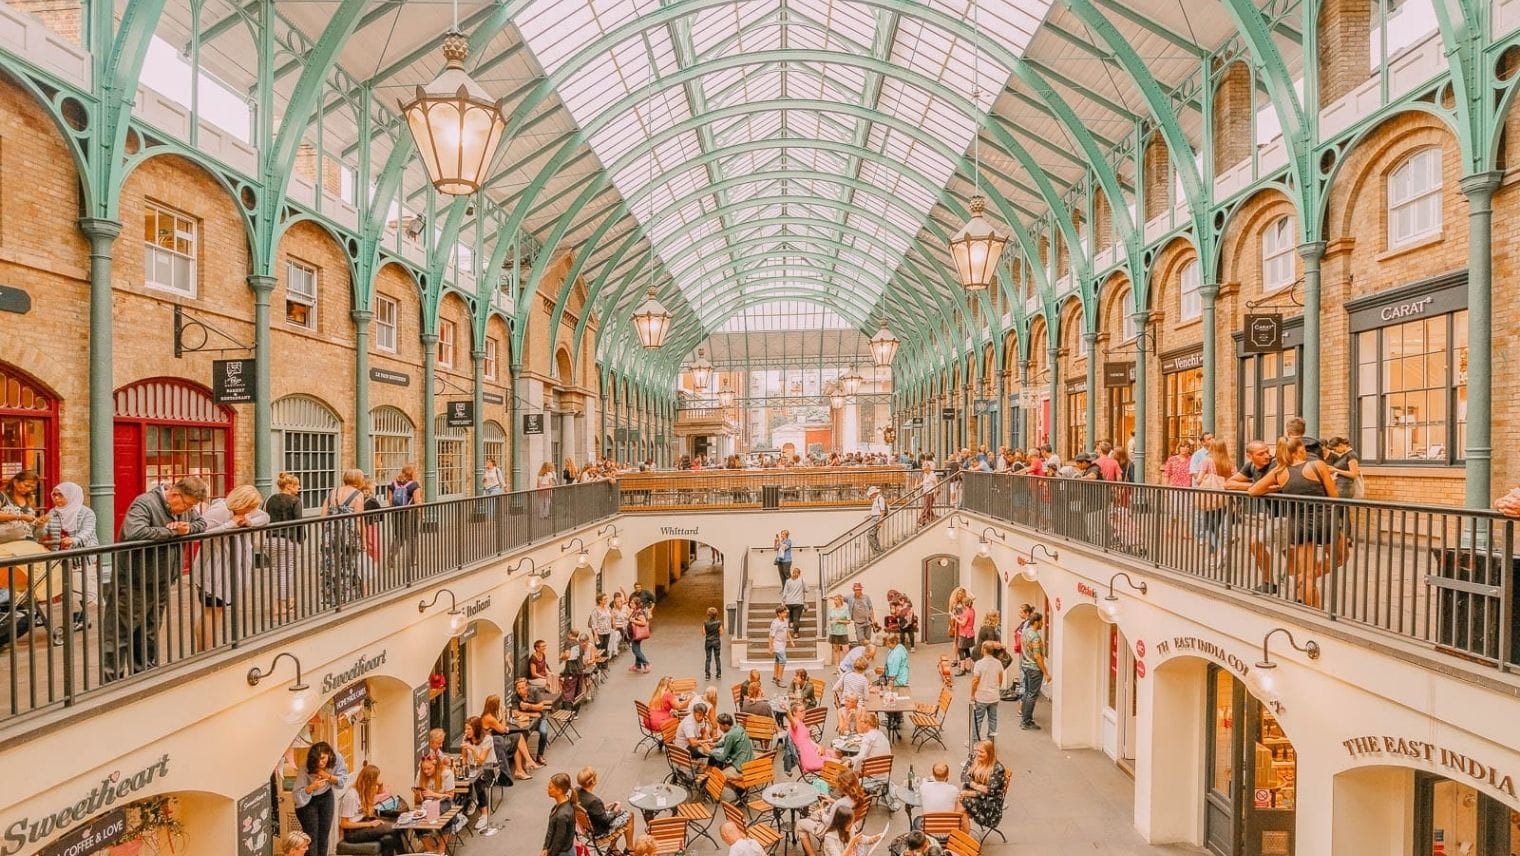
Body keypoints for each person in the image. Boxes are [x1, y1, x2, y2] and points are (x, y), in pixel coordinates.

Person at [104, 476, 209, 680]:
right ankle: (112, 681)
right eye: (187, 505)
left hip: (161, 579)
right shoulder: (145, 503)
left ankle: (143, 674)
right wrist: (170, 532)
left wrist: (187, 528)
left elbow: (201, 523)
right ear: (175, 494)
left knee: (149, 631)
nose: (187, 510)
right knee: (120, 633)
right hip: (134, 580)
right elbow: (134, 531)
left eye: (191, 507)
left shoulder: (185, 509)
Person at [191, 485, 268, 652]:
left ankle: (208, 649)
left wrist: (249, 521)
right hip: (212, 570)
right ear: (241, 502)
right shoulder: (219, 511)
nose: (251, 510)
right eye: (250, 507)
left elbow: (265, 517)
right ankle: (205, 651)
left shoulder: (244, 512)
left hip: (228, 571)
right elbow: (200, 533)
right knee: (211, 611)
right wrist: (230, 525)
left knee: (217, 612)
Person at [1267, 437, 1340, 608]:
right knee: (1339, 557)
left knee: (1307, 574)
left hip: (1298, 524)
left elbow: (1253, 489)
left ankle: (1312, 611)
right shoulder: (1317, 465)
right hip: (1323, 520)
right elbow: (1334, 495)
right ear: (1299, 449)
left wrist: (1275, 488)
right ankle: (1305, 585)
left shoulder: (1280, 471)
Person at [37, 480, 99, 634]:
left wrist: (74, 540)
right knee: (67, 590)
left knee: (82, 588)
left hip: (82, 557)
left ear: (71, 496)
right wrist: (39, 525)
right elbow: (41, 534)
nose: (57, 499)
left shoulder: (86, 513)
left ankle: (83, 618)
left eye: (61, 495)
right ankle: (75, 619)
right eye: (55, 495)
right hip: (61, 557)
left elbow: (88, 531)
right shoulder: (53, 513)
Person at [1230, 440, 1289, 594]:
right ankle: (1274, 583)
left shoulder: (1275, 465)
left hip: (1288, 515)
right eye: (1260, 454)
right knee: (1287, 552)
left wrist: (1257, 487)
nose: (1266, 456)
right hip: (1276, 516)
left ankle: (1273, 582)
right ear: (1250, 456)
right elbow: (1229, 483)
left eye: (1267, 451)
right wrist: (1254, 485)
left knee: (1256, 542)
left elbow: (1276, 487)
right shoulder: (1250, 466)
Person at [293, 741, 349, 856]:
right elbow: (296, 794)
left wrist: (326, 775)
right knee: (311, 837)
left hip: (326, 796)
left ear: (329, 754)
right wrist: (312, 787)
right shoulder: (306, 765)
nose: (320, 762)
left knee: (324, 835)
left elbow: (342, 781)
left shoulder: (337, 758)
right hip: (308, 801)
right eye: (317, 760)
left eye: (323, 758)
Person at [337, 763, 405, 856]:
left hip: (363, 824)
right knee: (395, 828)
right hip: (352, 833)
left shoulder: (365, 791)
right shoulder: (352, 796)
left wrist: (380, 785)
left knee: (388, 838)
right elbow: (344, 824)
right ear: (369, 781)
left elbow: (380, 793)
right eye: (376, 779)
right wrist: (369, 824)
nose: (377, 781)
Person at [263, 472, 303, 618]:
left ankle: (285, 602)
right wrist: (300, 540)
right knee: (286, 573)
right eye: (296, 485)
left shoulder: (269, 499)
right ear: (288, 486)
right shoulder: (295, 501)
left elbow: (264, 517)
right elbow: (299, 522)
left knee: (278, 572)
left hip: (270, 541)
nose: (299, 487)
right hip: (288, 540)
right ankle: (279, 605)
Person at [481, 693, 541, 778]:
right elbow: (503, 730)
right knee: (519, 737)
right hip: (493, 744)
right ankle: (527, 762)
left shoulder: (487, 715)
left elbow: (501, 727)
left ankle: (520, 770)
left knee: (517, 741)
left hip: (494, 740)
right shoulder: (490, 718)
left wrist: (502, 721)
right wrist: (503, 713)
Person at [576, 767, 634, 852]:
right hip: (599, 831)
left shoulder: (577, 791)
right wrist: (615, 810)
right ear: (593, 781)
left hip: (586, 828)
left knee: (620, 813)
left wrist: (604, 808)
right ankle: (630, 848)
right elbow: (606, 821)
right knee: (629, 815)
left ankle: (613, 848)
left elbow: (591, 811)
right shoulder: (594, 801)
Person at [959, 740, 1009, 832]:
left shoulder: (998, 769)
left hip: (989, 803)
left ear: (990, 753)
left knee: (959, 809)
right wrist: (976, 785)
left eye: (981, 752)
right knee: (957, 804)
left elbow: (990, 791)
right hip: (976, 796)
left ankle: (963, 837)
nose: (978, 754)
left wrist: (969, 793)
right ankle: (962, 836)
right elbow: (963, 776)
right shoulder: (973, 758)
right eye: (976, 750)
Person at [461, 716, 498, 832]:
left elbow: (481, 760)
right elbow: (464, 757)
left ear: (476, 729)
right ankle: (470, 801)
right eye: (465, 729)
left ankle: (484, 814)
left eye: (469, 729)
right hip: (473, 768)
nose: (466, 732)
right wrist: (462, 766)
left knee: (478, 781)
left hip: (489, 767)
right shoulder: (466, 738)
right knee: (462, 779)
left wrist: (472, 748)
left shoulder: (487, 739)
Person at [1018, 612, 1050, 730]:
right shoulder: (1035, 637)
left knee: (1027, 692)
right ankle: (1026, 721)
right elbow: (1037, 656)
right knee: (1032, 695)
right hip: (1034, 669)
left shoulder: (1025, 632)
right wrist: (1045, 672)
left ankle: (1025, 718)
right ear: (1036, 622)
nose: (1042, 623)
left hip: (1025, 666)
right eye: (1041, 621)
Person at [513, 676, 554, 764]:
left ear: (526, 687)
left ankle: (540, 755)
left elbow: (541, 706)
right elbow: (515, 712)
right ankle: (526, 757)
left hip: (540, 718)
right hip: (526, 721)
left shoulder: (534, 691)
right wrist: (532, 714)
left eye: (522, 688)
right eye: (518, 688)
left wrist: (529, 706)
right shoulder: (515, 696)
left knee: (543, 732)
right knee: (522, 734)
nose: (520, 691)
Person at [817, 802, 881, 856]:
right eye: (849, 822)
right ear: (841, 823)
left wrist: (874, 838)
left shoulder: (850, 828)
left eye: (852, 821)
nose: (852, 824)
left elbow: (863, 839)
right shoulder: (830, 838)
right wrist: (851, 843)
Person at [971, 640, 1005, 741]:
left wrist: (972, 694)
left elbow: (975, 681)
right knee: (993, 719)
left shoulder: (979, 664)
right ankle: (991, 741)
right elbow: (1000, 679)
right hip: (994, 696)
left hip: (982, 696)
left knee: (978, 719)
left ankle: (975, 740)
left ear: (984, 650)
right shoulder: (998, 663)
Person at [707, 713, 756, 781]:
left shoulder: (730, 735)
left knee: (718, 776)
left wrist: (709, 751)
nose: (719, 728)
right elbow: (728, 742)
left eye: (720, 726)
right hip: (750, 758)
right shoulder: (738, 727)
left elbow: (722, 757)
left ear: (726, 725)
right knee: (720, 756)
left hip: (742, 765)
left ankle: (739, 777)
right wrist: (716, 745)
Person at [541, 772, 578, 856]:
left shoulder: (562, 815)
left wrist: (550, 853)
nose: (547, 789)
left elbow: (559, 839)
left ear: (559, 791)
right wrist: (545, 847)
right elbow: (551, 830)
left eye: (550, 788)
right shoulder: (558, 807)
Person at [0, 469, 42, 545]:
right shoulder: (2, 496)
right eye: (26, 485)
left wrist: (38, 521)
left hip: (28, 541)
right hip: (6, 542)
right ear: (15, 482)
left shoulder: (30, 499)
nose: (29, 489)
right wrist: (20, 516)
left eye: (32, 487)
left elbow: (30, 522)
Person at [786, 700, 827, 775]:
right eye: (801, 711)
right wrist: (787, 711)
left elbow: (808, 739)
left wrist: (818, 746)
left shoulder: (801, 723)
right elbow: (791, 720)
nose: (804, 712)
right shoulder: (795, 724)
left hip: (813, 752)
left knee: (838, 755)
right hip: (809, 758)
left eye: (804, 710)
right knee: (839, 763)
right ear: (794, 713)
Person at [769, 605, 793, 686]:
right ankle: (779, 679)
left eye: (786, 612)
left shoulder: (785, 620)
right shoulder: (775, 623)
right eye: (784, 612)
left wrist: (791, 641)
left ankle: (775, 676)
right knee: (783, 661)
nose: (785, 614)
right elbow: (771, 636)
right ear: (779, 613)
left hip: (783, 644)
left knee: (778, 660)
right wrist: (771, 647)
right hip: (777, 645)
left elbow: (787, 631)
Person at [953, 594, 977, 675]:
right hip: (970, 633)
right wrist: (959, 616)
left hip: (964, 634)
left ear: (964, 604)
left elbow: (963, 623)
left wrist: (956, 618)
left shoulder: (967, 612)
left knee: (960, 650)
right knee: (967, 650)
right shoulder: (972, 610)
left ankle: (962, 669)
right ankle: (968, 667)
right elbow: (966, 619)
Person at [826, 594, 851, 665]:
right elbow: (829, 620)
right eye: (834, 600)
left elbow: (848, 621)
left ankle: (847, 665)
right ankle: (837, 666)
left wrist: (839, 621)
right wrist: (830, 622)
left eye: (836, 600)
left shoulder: (845, 610)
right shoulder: (832, 610)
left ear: (840, 600)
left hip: (843, 632)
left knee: (846, 650)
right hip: (834, 632)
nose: (835, 601)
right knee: (836, 650)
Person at [628, 598, 652, 672]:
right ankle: (637, 665)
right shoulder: (635, 611)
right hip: (633, 633)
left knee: (635, 650)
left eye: (632, 603)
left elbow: (643, 622)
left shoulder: (639, 612)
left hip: (637, 634)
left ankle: (646, 663)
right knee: (637, 649)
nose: (630, 604)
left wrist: (633, 620)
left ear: (636, 604)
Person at [782, 567, 808, 635]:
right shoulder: (802, 580)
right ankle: (796, 633)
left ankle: (791, 622)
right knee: (796, 617)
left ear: (792, 573)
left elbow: (785, 592)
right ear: (799, 574)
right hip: (799, 602)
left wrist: (783, 601)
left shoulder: (788, 581)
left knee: (791, 611)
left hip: (789, 602)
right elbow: (807, 590)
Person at [703, 606, 724, 680]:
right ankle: (718, 674)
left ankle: (707, 675)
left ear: (708, 614)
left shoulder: (705, 622)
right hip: (716, 642)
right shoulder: (718, 623)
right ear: (716, 614)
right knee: (717, 658)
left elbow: (703, 633)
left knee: (708, 658)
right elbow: (721, 633)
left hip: (708, 642)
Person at [917, 461, 940, 526]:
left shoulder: (932, 475)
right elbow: (924, 483)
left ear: (928, 467)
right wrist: (918, 485)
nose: (923, 467)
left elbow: (936, 484)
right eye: (923, 466)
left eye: (925, 466)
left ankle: (921, 521)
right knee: (928, 506)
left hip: (931, 492)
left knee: (926, 507)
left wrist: (936, 493)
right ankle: (932, 517)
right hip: (926, 492)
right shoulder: (925, 474)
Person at [866, 485, 887, 553]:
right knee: (873, 535)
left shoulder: (880, 498)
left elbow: (882, 511)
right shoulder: (876, 499)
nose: (871, 496)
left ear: (874, 493)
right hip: (874, 518)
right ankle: (877, 550)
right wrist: (870, 515)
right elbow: (876, 510)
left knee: (870, 535)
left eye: (871, 494)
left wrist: (880, 522)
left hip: (877, 518)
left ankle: (877, 551)